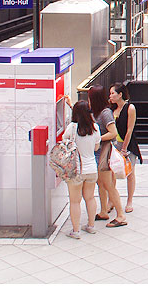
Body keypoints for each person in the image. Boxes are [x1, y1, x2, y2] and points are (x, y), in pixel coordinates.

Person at [88, 85, 128, 227]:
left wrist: (97, 138)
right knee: (101, 184)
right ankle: (104, 211)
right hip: (98, 153)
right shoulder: (96, 112)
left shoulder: (105, 113)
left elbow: (112, 133)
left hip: (104, 153)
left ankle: (121, 215)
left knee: (108, 185)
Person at [61, 100, 100, 238]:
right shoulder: (95, 127)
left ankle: (76, 231)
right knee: (90, 198)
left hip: (76, 170)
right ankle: (91, 226)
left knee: (75, 201)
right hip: (92, 169)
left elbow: (64, 141)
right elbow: (96, 147)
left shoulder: (72, 127)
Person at [109, 83, 141, 213]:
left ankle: (129, 201)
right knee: (111, 173)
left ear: (120, 94)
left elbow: (129, 129)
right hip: (113, 144)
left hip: (126, 145)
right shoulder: (111, 109)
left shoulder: (129, 108)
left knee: (130, 173)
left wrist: (124, 148)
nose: (110, 96)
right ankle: (111, 200)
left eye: (112, 93)